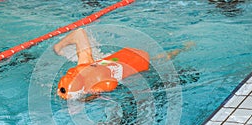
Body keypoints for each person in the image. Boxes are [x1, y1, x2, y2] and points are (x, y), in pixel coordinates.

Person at [54, 28, 193, 100]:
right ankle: (183, 47)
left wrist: (89, 98)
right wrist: (58, 47)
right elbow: (79, 33)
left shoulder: (103, 84)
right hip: (122, 56)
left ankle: (184, 48)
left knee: (159, 61)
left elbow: (110, 85)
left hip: (138, 62)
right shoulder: (85, 63)